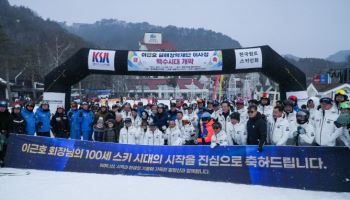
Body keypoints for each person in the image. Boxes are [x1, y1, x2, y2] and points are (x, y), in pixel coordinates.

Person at [0, 100, 10, 166]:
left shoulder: (8, 114)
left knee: (5, 147)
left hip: (6, 133)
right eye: (1, 106)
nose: (2, 108)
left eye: (4, 107)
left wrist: (8, 131)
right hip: (0, 133)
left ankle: (3, 160)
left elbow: (10, 124)